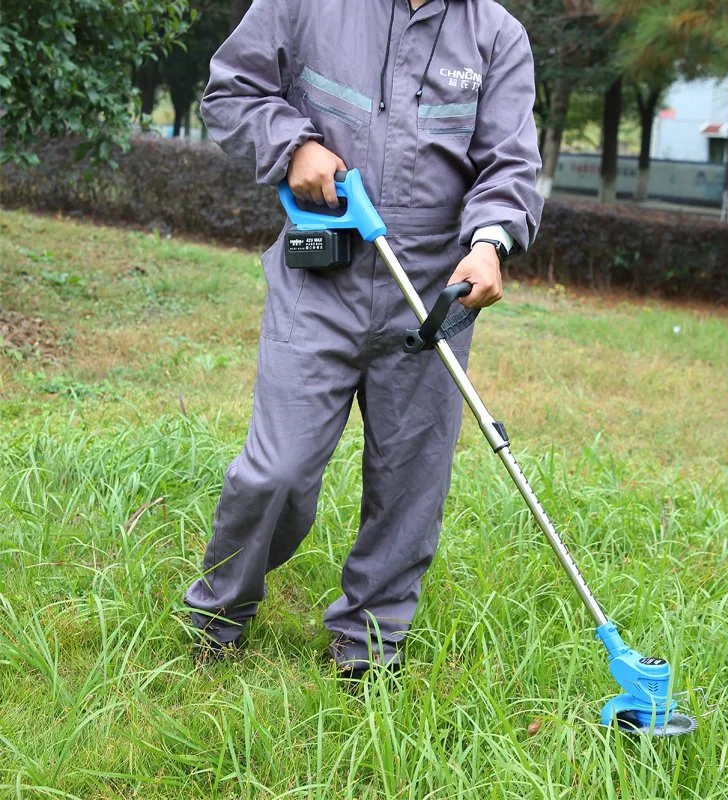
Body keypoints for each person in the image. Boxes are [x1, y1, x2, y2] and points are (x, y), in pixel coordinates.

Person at [185, 0, 544, 675]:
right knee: (278, 469)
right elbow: (233, 89)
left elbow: (510, 164)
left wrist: (491, 242)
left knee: (411, 482)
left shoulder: (497, 35)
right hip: (321, 277)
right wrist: (295, 144)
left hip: (433, 291)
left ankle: (369, 646)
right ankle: (218, 614)